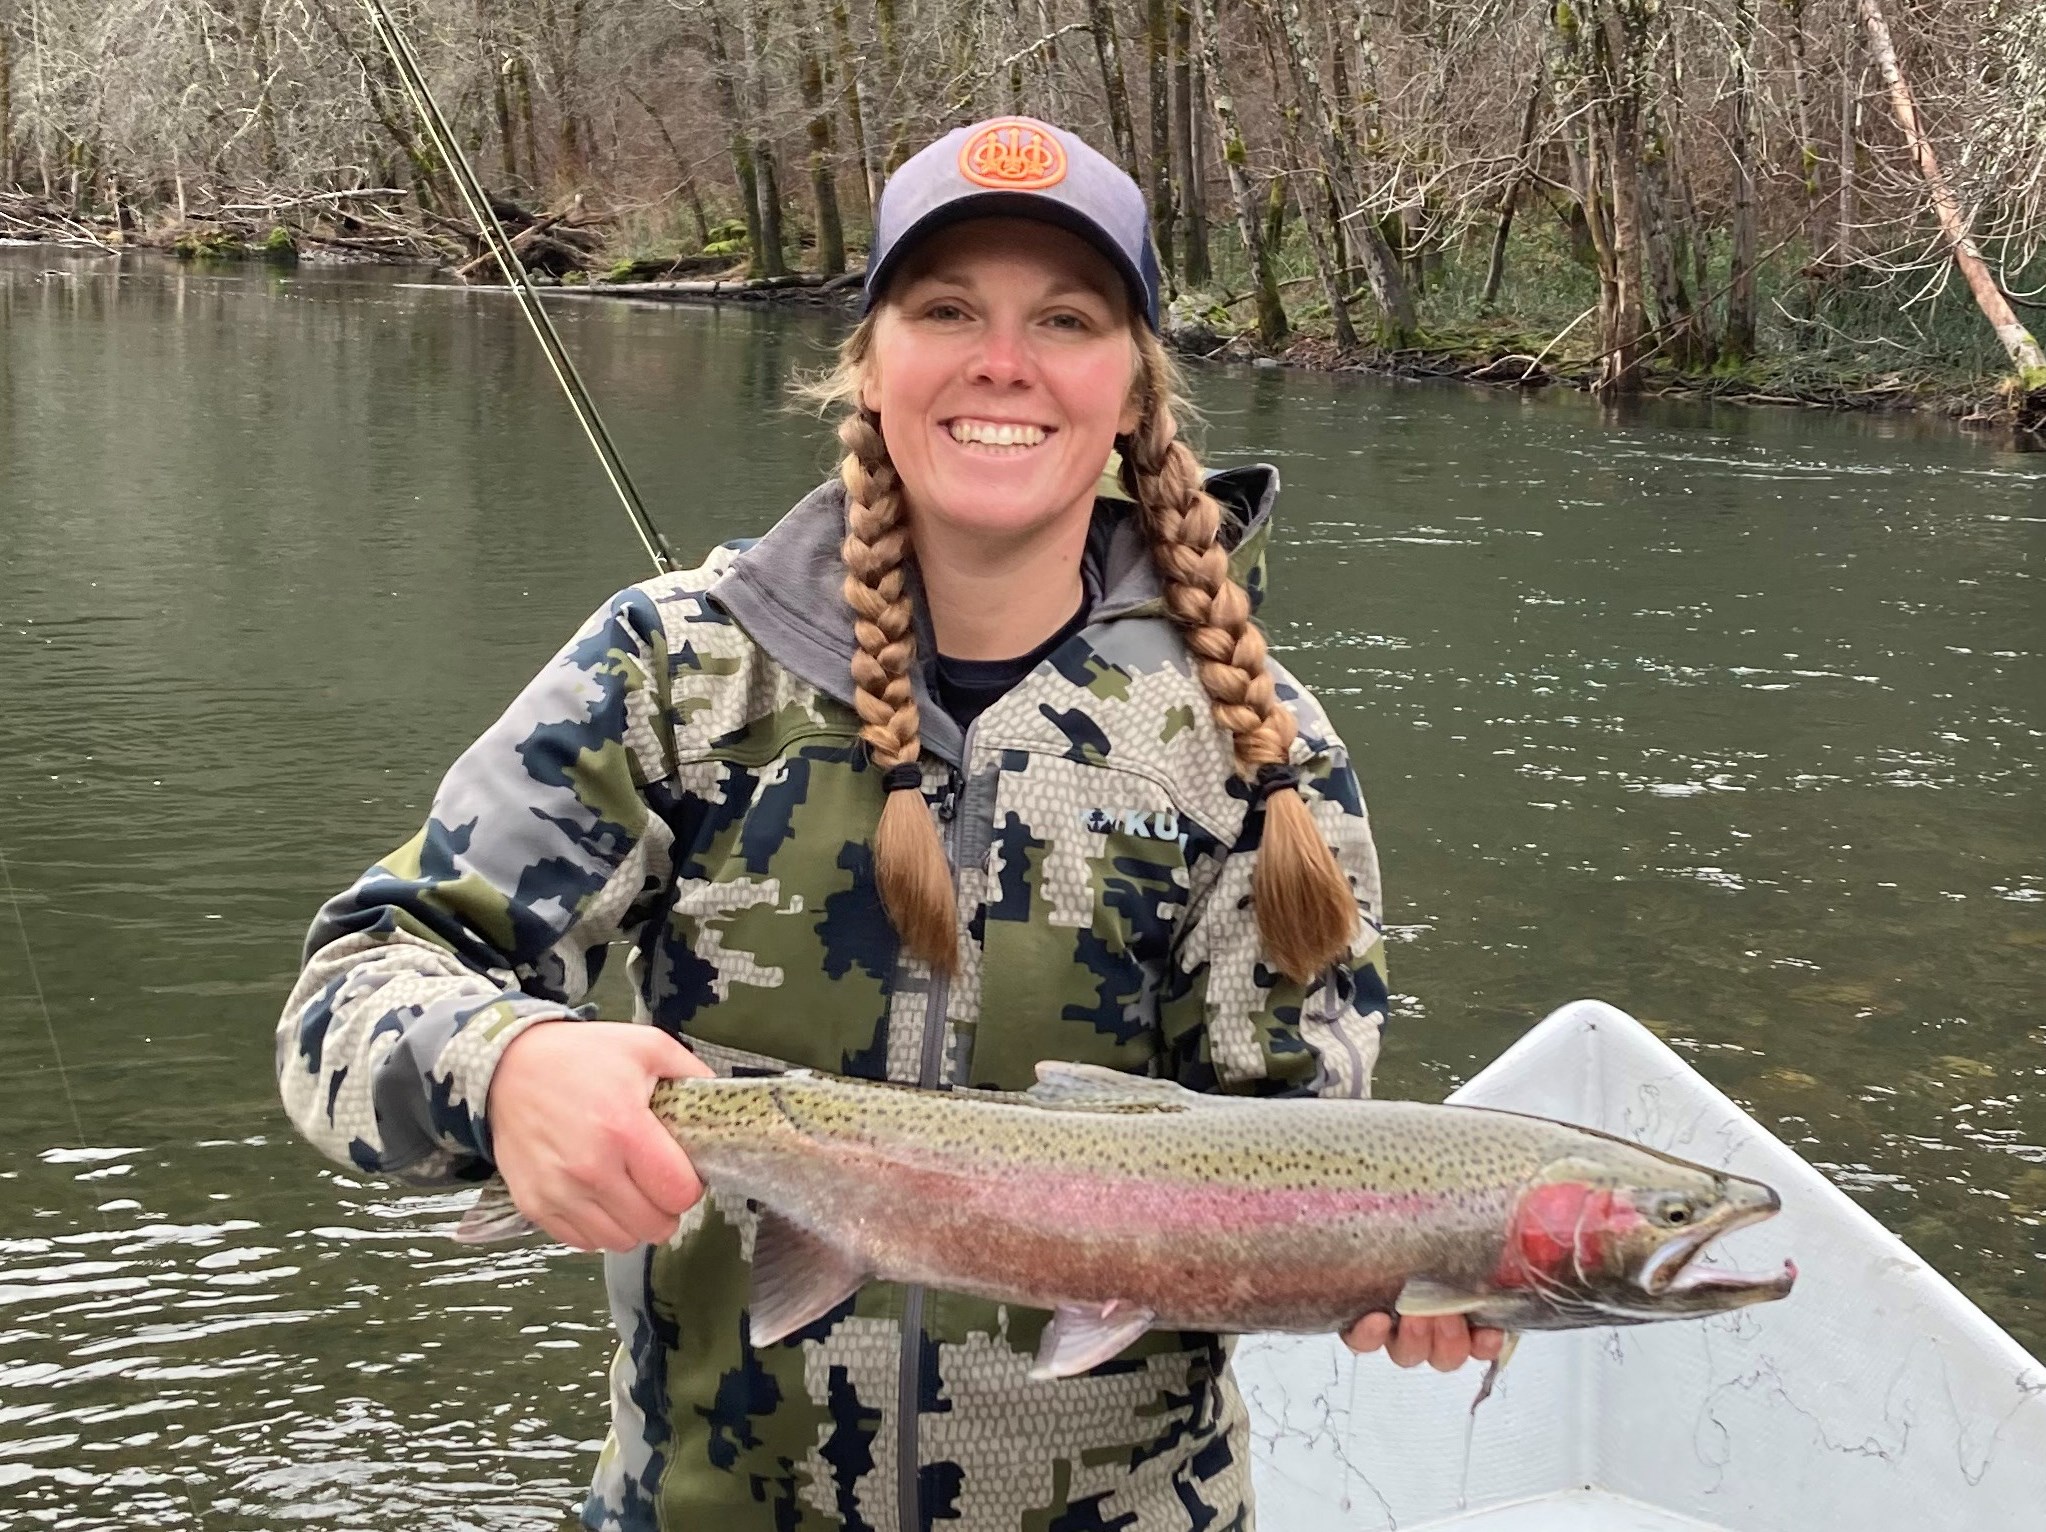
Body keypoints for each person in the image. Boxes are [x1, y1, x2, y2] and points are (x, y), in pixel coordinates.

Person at [276, 115, 1501, 1532]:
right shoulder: (671, 670)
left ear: (1132, 387)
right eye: (944, 309)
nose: (1003, 360)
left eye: (1064, 317)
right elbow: (352, 987)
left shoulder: (1258, 748)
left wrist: (1430, 1270)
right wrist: (502, 1067)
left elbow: (1301, 1152)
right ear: (868, 362)